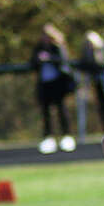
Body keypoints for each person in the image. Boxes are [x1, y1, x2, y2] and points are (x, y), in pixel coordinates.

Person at [31, 23, 76, 153]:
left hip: (58, 84)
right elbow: (32, 64)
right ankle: (48, 137)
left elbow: (63, 62)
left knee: (62, 109)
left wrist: (49, 58)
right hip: (44, 84)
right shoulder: (38, 48)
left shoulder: (58, 47)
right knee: (45, 112)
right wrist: (39, 60)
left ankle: (67, 136)